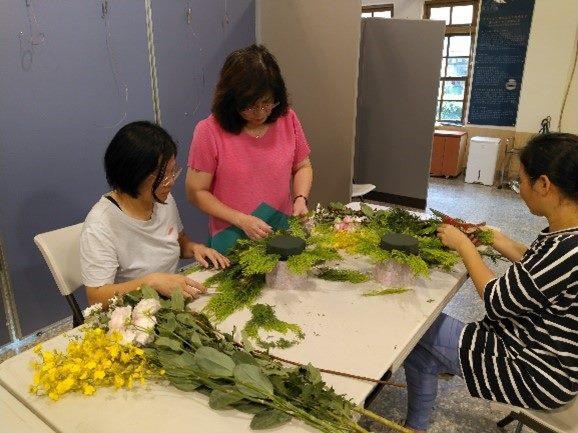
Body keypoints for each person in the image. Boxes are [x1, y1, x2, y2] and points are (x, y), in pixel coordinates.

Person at [403, 133, 578, 432]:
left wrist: (463, 246)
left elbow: (497, 300)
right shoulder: (567, 235)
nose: (520, 190)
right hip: (539, 353)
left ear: (544, 184)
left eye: (520, 181)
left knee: (416, 325)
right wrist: (493, 236)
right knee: (420, 344)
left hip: (534, 371)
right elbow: (533, 264)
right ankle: (418, 417)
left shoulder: (567, 249)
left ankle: (417, 419)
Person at [80, 121, 229, 306]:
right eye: (161, 176)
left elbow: (177, 241)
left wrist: (194, 248)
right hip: (135, 312)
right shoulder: (101, 224)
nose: (170, 182)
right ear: (131, 174)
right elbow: (96, 297)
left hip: (172, 299)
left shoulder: (163, 199)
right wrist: (150, 282)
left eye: (172, 172)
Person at [186, 44, 313, 246]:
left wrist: (300, 199)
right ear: (232, 100)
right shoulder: (209, 131)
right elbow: (196, 192)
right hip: (231, 234)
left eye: (267, 103)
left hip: (281, 227)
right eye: (250, 106)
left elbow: (302, 166)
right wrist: (241, 219)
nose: (261, 113)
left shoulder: (286, 117)